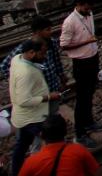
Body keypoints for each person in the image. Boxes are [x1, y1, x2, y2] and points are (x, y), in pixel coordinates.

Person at [9, 39, 59, 176]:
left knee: (21, 145)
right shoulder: (26, 72)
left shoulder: (17, 59)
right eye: (42, 54)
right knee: (50, 143)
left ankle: (16, 172)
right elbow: (24, 100)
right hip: (33, 118)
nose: (44, 57)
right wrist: (48, 97)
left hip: (22, 117)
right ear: (31, 53)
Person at [59, 0, 102, 147]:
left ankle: (89, 122)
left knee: (90, 92)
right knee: (82, 98)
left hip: (92, 58)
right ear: (79, 5)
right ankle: (80, 133)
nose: (90, 9)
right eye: (87, 6)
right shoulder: (70, 22)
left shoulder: (89, 14)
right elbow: (64, 45)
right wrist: (86, 42)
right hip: (81, 62)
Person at [0, 16, 65, 115]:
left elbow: (57, 61)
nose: (50, 32)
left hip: (52, 88)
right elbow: (4, 66)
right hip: (38, 94)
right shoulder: (25, 48)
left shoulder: (51, 43)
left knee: (52, 114)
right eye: (47, 30)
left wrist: (61, 77)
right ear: (38, 31)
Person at [17, 115, 99, 176]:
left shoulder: (31, 162)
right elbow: (96, 172)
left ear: (41, 135)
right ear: (65, 133)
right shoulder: (79, 150)